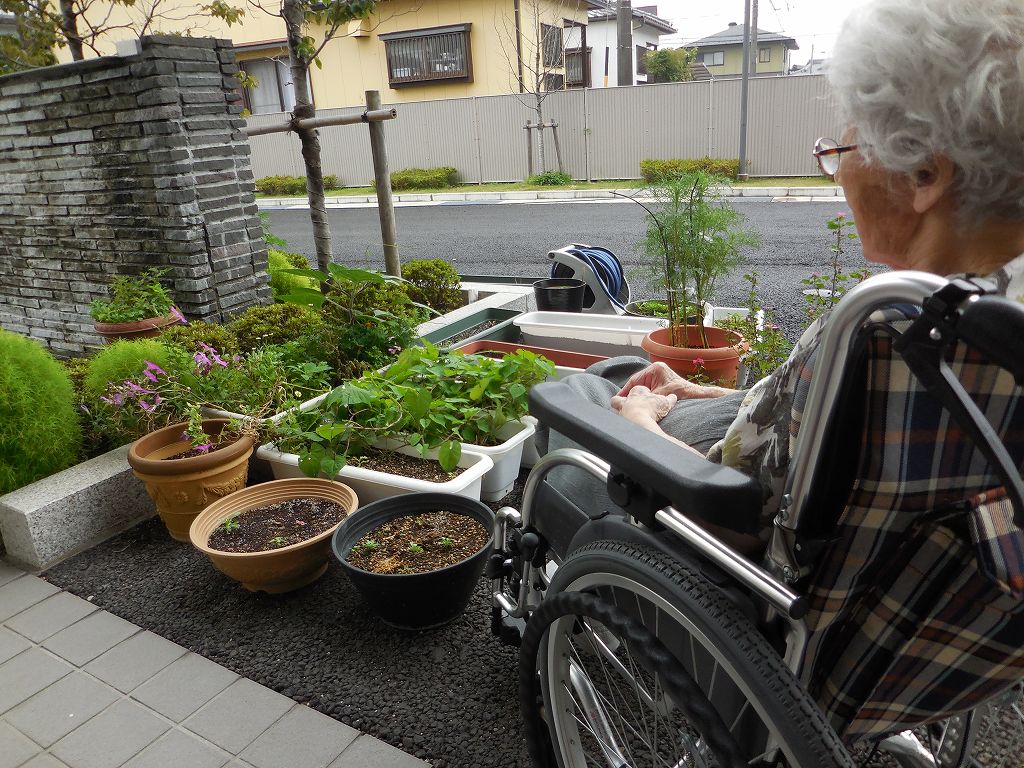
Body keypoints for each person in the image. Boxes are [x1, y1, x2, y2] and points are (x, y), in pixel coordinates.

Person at [539, 0, 1024, 550]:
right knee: (632, 369)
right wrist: (698, 391)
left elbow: (733, 523)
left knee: (581, 392)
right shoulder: (998, 319)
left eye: (844, 148)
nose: (837, 173)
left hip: (733, 552)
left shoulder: (888, 334)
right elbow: (814, 426)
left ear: (924, 173)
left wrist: (639, 427)